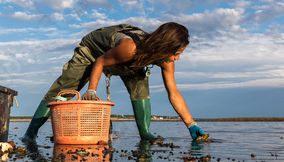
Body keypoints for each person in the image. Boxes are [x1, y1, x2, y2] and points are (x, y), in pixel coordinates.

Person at [22, 22, 205, 141]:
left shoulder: (166, 60)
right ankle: (30, 133)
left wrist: (191, 123)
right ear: (164, 47)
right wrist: (92, 90)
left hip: (129, 60)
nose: (177, 59)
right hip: (93, 52)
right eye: (176, 53)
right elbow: (100, 61)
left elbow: (173, 93)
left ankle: (145, 133)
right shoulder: (129, 48)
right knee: (66, 89)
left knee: (140, 86)